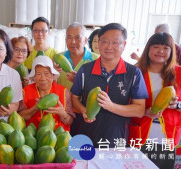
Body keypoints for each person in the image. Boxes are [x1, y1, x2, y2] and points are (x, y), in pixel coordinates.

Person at [70, 23, 149, 147]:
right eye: (105, 41)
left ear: (124, 45)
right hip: (86, 136)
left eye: (116, 43)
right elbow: (74, 98)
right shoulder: (85, 70)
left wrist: (111, 106)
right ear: (98, 43)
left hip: (117, 139)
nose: (109, 47)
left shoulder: (133, 73)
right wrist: (84, 110)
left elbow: (139, 110)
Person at [128, 32, 181, 169]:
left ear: (172, 51)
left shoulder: (179, 74)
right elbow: (125, 102)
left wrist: (178, 105)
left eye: (165, 48)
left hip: (167, 138)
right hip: (139, 135)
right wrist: (143, 111)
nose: (160, 51)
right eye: (156, 46)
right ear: (148, 49)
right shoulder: (135, 71)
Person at [19, 55, 74, 131]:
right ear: (34, 77)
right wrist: (36, 108)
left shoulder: (63, 91)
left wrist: (62, 113)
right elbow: (19, 117)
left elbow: (70, 121)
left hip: (58, 137)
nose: (43, 78)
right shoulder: (25, 91)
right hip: (32, 137)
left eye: (46, 73)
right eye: (38, 74)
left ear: (53, 75)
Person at [57, 23, 99, 90]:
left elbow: (99, 87)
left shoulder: (96, 60)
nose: (73, 42)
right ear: (65, 40)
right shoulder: (58, 58)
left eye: (77, 37)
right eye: (69, 37)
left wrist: (79, 81)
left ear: (85, 40)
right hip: (61, 100)